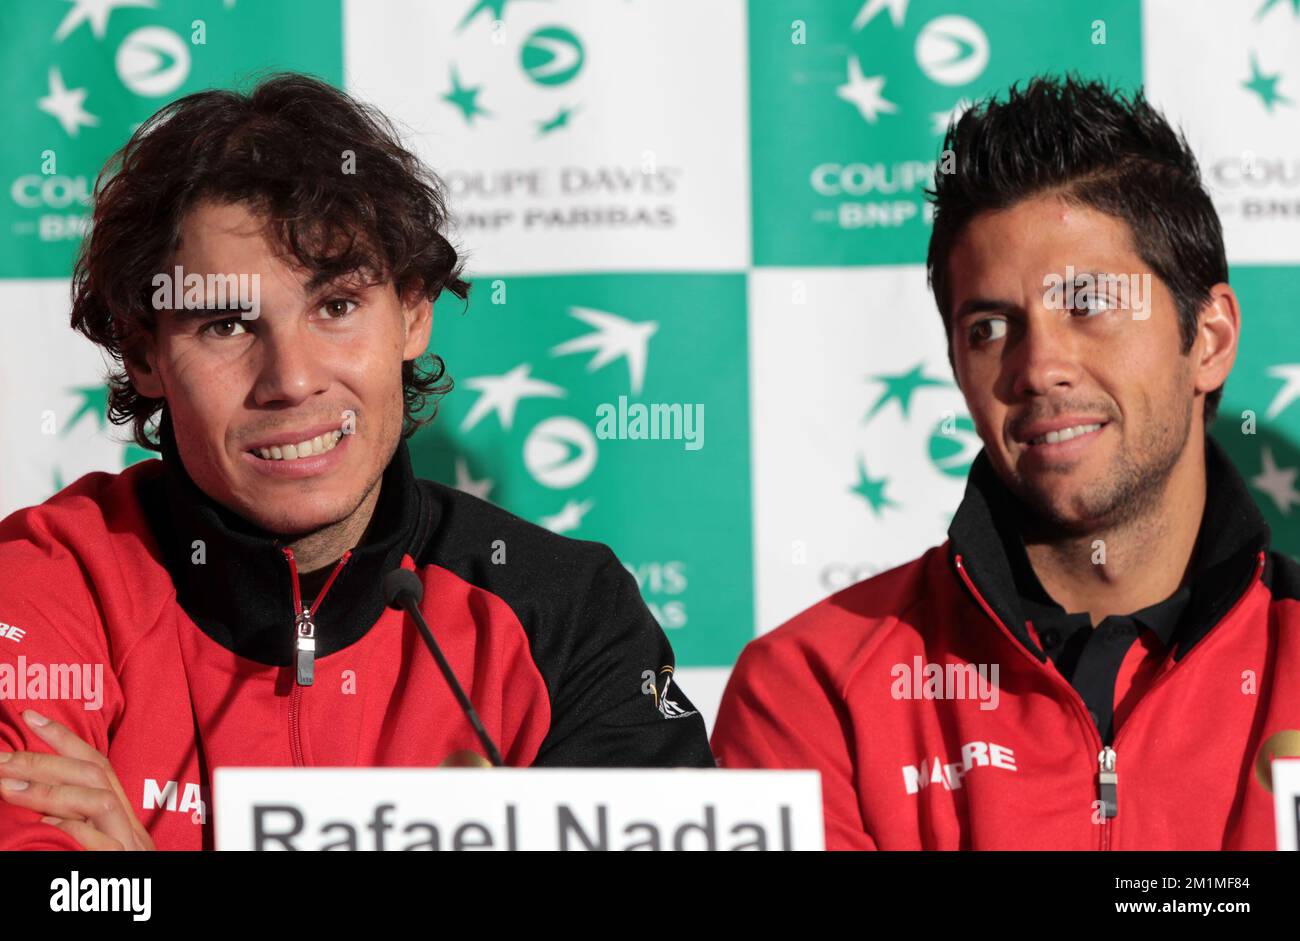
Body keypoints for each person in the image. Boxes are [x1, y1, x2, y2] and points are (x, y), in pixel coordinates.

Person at [0, 73, 712, 851]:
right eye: (227, 325)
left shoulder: (566, 613)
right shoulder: (45, 584)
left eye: (335, 307)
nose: (293, 379)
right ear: (145, 354)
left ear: (411, 314)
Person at [711, 75, 1300, 850]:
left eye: (1089, 304)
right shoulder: (814, 688)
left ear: (1211, 338)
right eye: (991, 326)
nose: (1040, 366)